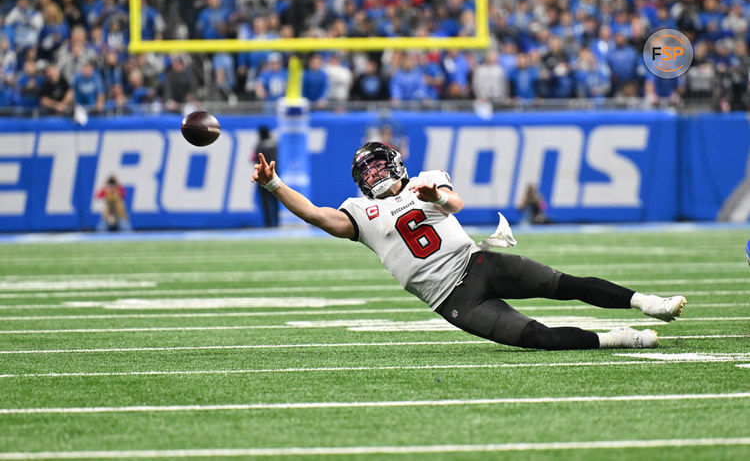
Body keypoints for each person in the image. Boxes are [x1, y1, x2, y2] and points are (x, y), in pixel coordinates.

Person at [251, 142, 687, 350]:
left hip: (478, 263)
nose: (373, 176)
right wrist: (274, 183)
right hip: (451, 299)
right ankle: (622, 339)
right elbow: (314, 214)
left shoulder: (427, 179)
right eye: (365, 172)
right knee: (535, 337)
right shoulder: (359, 213)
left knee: (564, 283)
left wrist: (435, 198)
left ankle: (650, 303)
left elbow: (457, 202)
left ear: (397, 164)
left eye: (379, 166)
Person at [252, 126, 279, 227]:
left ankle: (268, 223)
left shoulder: (259, 146)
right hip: (274, 176)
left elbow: (252, 158)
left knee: (265, 201)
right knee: (276, 199)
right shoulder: (275, 144)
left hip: (262, 177)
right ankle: (277, 221)